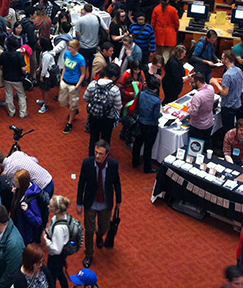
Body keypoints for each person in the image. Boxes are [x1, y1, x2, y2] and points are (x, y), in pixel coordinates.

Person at [76, 140, 121, 268]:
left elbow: (116, 183)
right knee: (89, 230)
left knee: (104, 227)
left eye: (100, 153)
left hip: (106, 203)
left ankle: (99, 235)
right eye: (96, 152)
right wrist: (79, 202)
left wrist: (119, 200)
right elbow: (81, 184)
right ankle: (89, 253)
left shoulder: (113, 165)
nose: (97, 156)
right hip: (90, 202)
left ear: (107, 154)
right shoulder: (87, 163)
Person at [83, 67, 122, 157]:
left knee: (93, 137)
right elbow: (118, 106)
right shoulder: (114, 90)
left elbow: (85, 98)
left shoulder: (93, 84)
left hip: (93, 116)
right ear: (114, 77)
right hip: (108, 118)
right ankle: (104, 157)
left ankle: (92, 157)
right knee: (106, 139)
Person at [131, 77, 161, 174]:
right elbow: (156, 116)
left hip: (140, 122)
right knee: (148, 147)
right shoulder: (157, 101)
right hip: (151, 126)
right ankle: (147, 167)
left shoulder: (141, 94)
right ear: (156, 88)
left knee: (138, 143)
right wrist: (161, 114)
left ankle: (135, 162)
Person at [211, 49, 243, 134]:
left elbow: (224, 92)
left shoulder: (227, 75)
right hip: (237, 103)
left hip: (228, 106)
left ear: (227, 60)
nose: (221, 60)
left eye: (222, 58)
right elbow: (242, 84)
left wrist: (215, 83)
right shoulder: (239, 70)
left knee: (227, 129)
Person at [42, 196, 71, 288]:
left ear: (57, 209)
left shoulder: (59, 228)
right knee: (59, 272)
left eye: (51, 206)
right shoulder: (59, 217)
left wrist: (46, 240)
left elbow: (56, 249)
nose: (48, 207)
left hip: (56, 255)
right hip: (62, 250)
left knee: (52, 277)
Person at [60, 40, 86, 135]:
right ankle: (74, 111)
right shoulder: (67, 54)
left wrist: (77, 85)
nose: (68, 48)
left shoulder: (80, 59)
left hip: (74, 84)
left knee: (73, 103)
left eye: (71, 46)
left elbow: (83, 74)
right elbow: (65, 66)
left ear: (75, 48)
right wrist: (62, 77)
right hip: (65, 81)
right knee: (63, 101)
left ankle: (70, 122)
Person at [187, 72, 216, 143]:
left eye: (192, 83)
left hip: (198, 126)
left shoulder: (198, 96)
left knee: (195, 146)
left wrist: (189, 105)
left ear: (198, 82)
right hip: (209, 123)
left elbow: (193, 112)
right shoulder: (211, 88)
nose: (192, 85)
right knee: (207, 142)